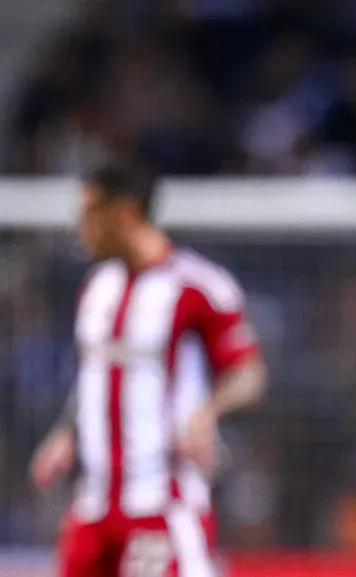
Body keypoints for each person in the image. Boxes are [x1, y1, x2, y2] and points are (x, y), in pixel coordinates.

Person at [29, 162, 268, 577]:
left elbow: (249, 373)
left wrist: (207, 413)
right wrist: (65, 433)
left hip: (161, 501)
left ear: (125, 214)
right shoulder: (96, 287)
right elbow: (93, 376)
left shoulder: (198, 286)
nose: (81, 227)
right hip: (94, 504)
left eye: (90, 214)